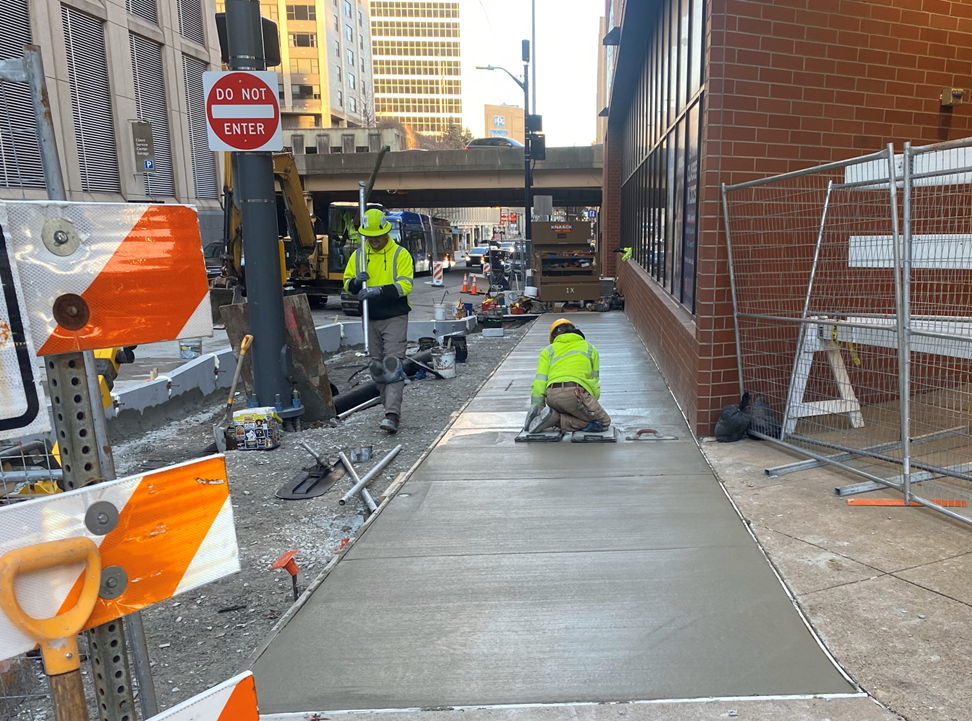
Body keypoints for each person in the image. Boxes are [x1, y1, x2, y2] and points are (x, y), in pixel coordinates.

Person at [344, 209, 414, 433]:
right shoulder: (358, 257)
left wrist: (378, 290)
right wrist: (356, 283)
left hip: (394, 315)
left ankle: (392, 414)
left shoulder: (399, 254)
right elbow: (347, 283)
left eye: (378, 237)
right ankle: (388, 407)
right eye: (370, 237)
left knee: (392, 364)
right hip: (371, 316)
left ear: (386, 233)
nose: (374, 241)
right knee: (377, 366)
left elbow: (405, 285)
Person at [527, 318, 611, 433]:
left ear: (553, 337)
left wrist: (537, 408)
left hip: (551, 397)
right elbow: (594, 380)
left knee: (570, 409)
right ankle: (556, 419)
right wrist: (591, 402)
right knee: (603, 422)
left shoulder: (548, 351)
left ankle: (551, 415)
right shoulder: (590, 348)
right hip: (575, 394)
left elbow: (540, 382)